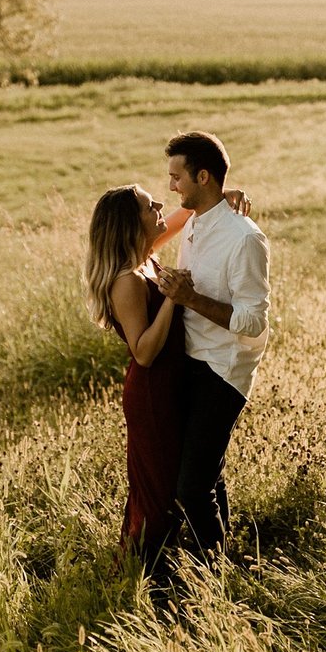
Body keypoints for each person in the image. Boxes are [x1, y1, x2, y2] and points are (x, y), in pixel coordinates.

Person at [85, 181, 251, 575]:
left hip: (175, 385)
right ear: (131, 224)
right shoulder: (127, 279)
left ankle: (202, 560)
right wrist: (174, 300)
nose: (160, 204)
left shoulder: (145, 257)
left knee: (189, 478)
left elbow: (186, 214)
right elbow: (143, 352)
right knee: (161, 493)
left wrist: (222, 200)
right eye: (149, 205)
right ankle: (152, 574)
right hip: (153, 394)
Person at [156, 131, 270, 560]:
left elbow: (253, 319)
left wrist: (189, 300)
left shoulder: (244, 238)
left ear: (202, 176)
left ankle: (210, 577)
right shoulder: (195, 222)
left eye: (176, 178)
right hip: (190, 359)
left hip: (224, 369)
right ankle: (222, 556)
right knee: (206, 476)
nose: (171, 187)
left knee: (191, 488)